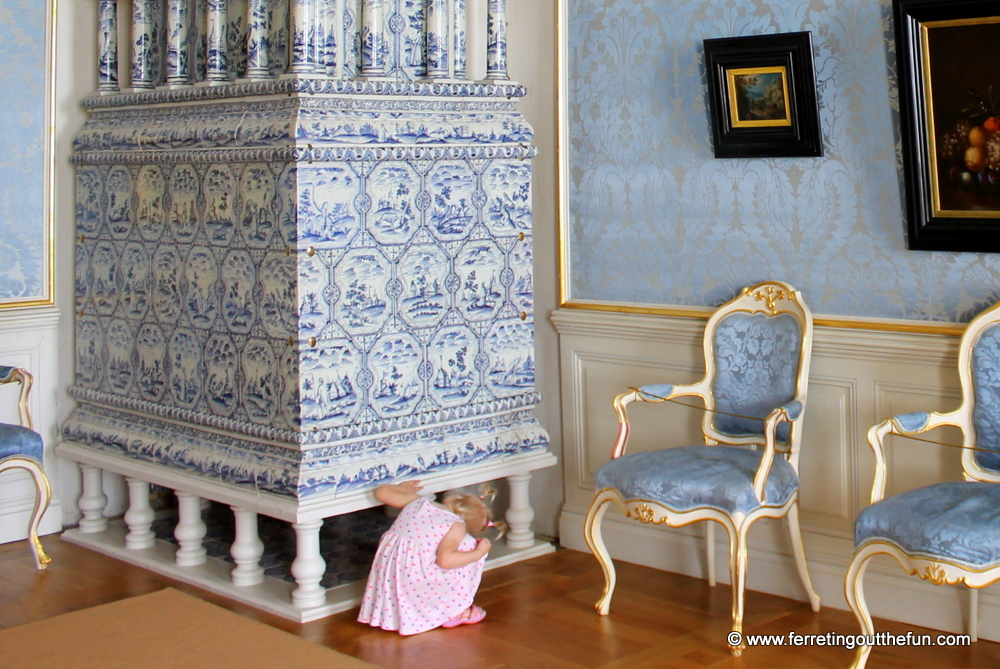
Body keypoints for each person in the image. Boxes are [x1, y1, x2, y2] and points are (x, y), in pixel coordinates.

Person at [357, 480, 492, 635]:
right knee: (468, 546)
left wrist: (402, 489)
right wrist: (479, 553)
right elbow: (446, 561)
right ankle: (452, 611)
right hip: (413, 578)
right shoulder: (457, 525)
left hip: (389, 571)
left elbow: (381, 492)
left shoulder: (419, 502)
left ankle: (395, 614)